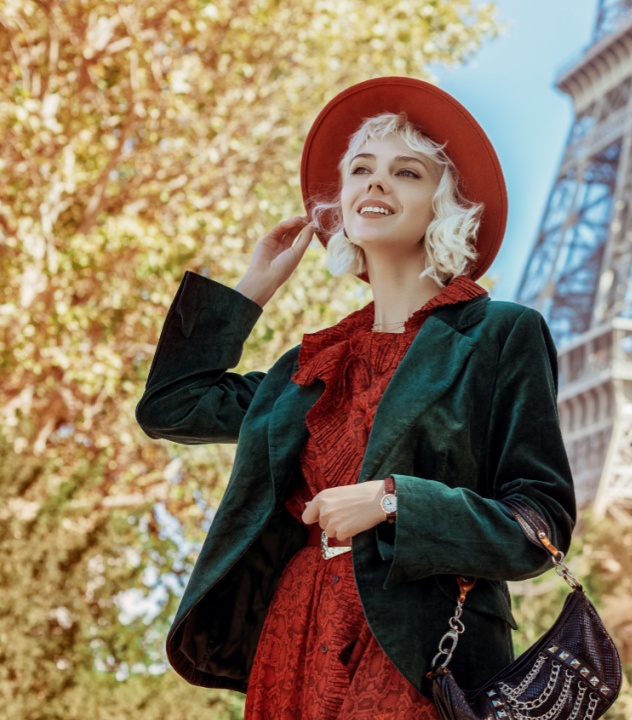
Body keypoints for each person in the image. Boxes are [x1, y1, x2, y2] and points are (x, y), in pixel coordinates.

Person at [135, 77, 576, 717]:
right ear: (340, 203)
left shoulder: (500, 335)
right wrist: (251, 291)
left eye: (407, 172)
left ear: (445, 206)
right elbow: (172, 404)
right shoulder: (311, 366)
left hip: (419, 648)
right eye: (361, 169)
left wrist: (394, 501)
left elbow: (540, 523)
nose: (376, 183)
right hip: (295, 633)